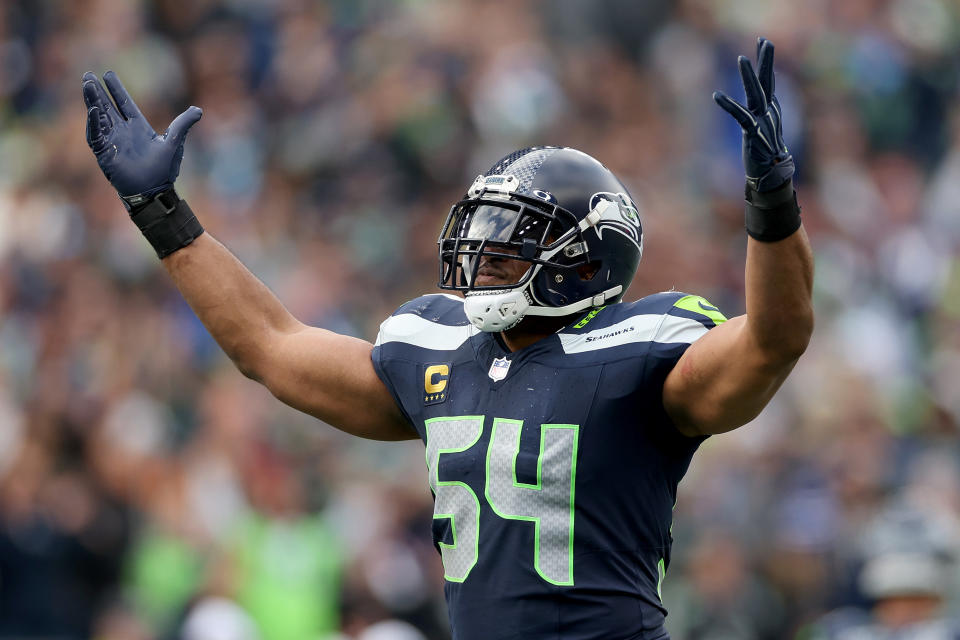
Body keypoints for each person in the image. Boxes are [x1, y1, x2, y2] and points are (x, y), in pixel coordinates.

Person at [81, 37, 813, 640]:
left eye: (510, 245)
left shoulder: (641, 351)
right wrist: (161, 212)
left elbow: (774, 341)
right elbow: (269, 346)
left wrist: (772, 209)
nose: (482, 260)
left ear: (584, 261)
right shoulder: (437, 347)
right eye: (482, 237)